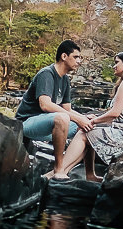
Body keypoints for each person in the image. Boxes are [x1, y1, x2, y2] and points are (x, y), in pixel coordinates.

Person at [50, 50, 123, 181]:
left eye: (116, 63)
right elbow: (121, 116)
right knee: (91, 132)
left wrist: (94, 121)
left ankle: (60, 170)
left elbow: (114, 113)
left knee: (84, 133)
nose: (114, 66)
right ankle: (88, 175)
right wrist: (94, 118)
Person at [14, 39, 94, 177]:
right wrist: (75, 118)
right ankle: (58, 169)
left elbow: (68, 109)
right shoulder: (47, 74)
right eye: (76, 57)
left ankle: (87, 174)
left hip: (48, 124)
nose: (79, 61)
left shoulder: (65, 79)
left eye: (80, 57)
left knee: (90, 126)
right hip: (27, 123)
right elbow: (45, 104)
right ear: (64, 56)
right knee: (62, 118)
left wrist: (83, 118)